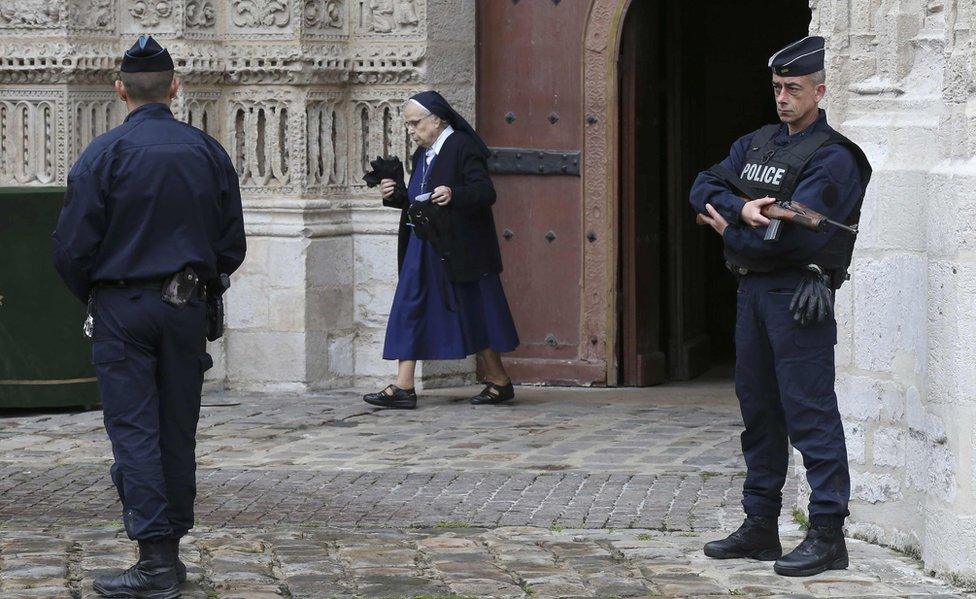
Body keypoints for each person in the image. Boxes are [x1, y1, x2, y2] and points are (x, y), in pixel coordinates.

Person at [51, 35, 246, 598]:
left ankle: (156, 559)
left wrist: (99, 293)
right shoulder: (206, 151)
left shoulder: (104, 153)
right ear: (175, 88)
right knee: (176, 427)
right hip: (184, 305)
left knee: (136, 429)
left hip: (123, 306)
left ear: (119, 90)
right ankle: (168, 552)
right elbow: (230, 241)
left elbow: (70, 246)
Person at [690, 36, 872, 577]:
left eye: (794, 88)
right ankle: (761, 524)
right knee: (760, 412)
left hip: (798, 297)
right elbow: (703, 184)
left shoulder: (835, 157)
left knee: (809, 413)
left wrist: (727, 231)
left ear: (820, 90)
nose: (783, 98)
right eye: (777, 88)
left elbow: (798, 239)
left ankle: (827, 533)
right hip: (753, 293)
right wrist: (742, 208)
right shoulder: (758, 143)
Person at [363, 90, 520, 409]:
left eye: (415, 123)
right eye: (408, 125)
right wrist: (394, 195)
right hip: (424, 244)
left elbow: (485, 192)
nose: (411, 131)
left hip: (460, 246)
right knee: (410, 304)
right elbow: (417, 201)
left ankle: (499, 380)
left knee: (473, 306)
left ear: (436, 119)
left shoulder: (463, 146)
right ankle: (403, 385)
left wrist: (454, 193)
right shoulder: (423, 154)